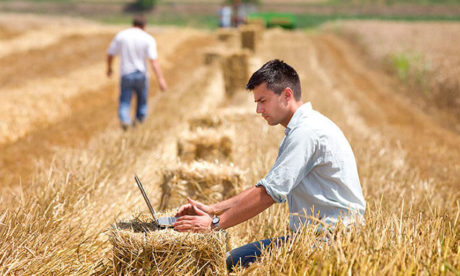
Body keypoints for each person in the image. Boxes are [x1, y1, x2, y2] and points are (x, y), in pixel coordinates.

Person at [172, 59, 366, 271]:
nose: (258, 109)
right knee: (230, 260)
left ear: (287, 95)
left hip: (330, 243)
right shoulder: (303, 128)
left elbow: (268, 195)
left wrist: (213, 225)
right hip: (313, 238)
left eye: (263, 101)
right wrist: (212, 209)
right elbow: (266, 186)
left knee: (227, 264)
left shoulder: (307, 133)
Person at [107, 14, 167, 130]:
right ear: (144, 26)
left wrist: (109, 68)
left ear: (133, 24)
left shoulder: (122, 35)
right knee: (142, 103)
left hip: (126, 73)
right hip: (141, 74)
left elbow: (110, 54)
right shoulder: (148, 38)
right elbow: (154, 61)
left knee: (125, 101)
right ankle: (138, 124)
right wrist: (161, 79)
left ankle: (125, 121)